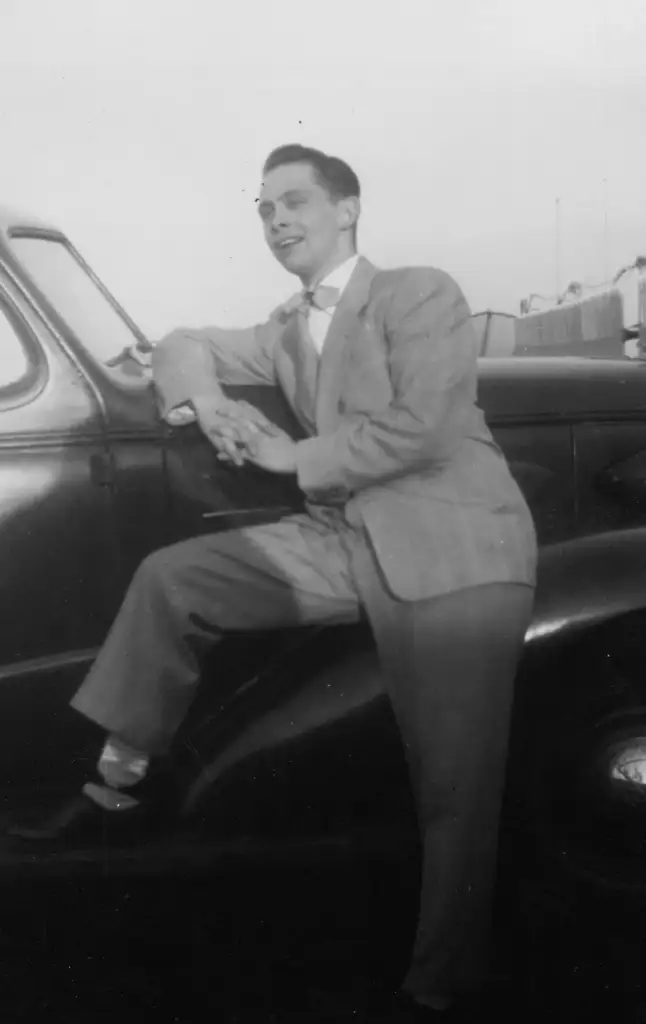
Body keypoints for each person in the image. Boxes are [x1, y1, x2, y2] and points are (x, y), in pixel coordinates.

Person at [9, 144, 537, 1017]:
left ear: (348, 210)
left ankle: (441, 987)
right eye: (264, 210)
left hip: (454, 552)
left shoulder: (419, 292)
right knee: (174, 578)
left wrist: (298, 454)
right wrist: (206, 404)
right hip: (342, 539)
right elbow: (178, 344)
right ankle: (113, 786)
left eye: (294, 203)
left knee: (454, 787)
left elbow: (427, 427)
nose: (277, 221)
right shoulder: (287, 327)